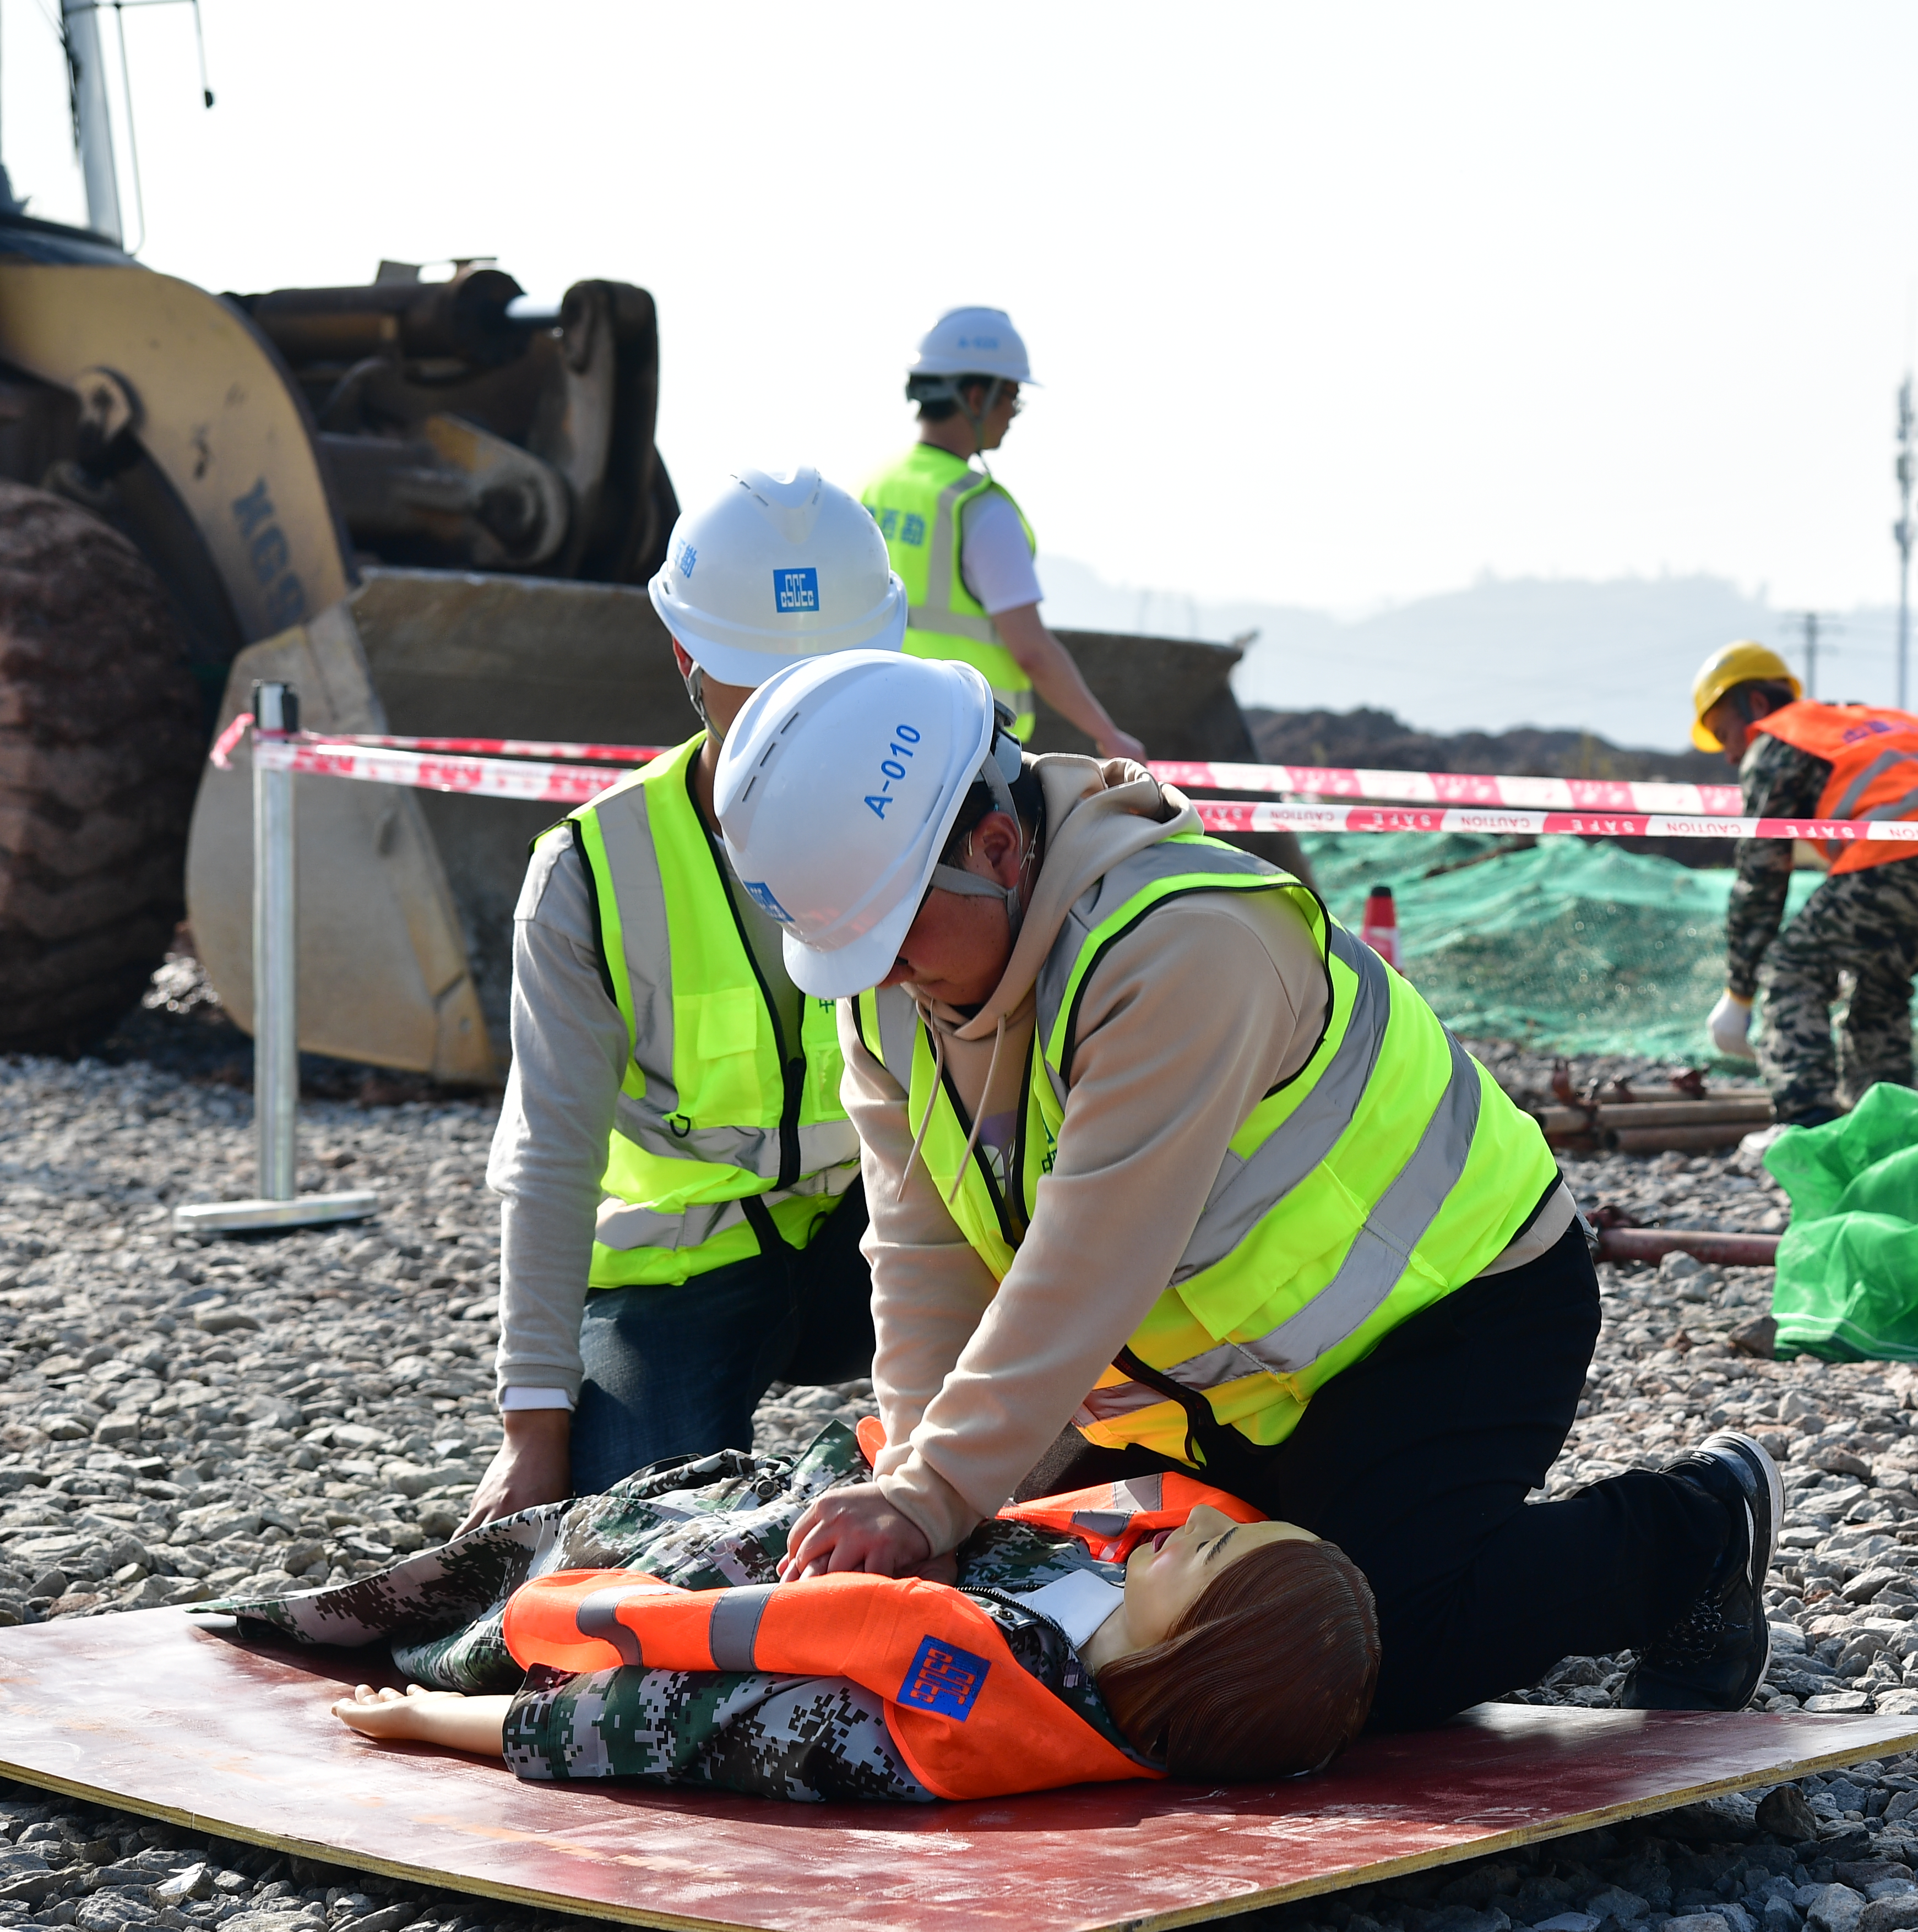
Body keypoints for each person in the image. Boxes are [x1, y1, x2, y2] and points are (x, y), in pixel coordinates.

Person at [705, 649, 1782, 1731]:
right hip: (1217, 1389)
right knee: (1039, 1596)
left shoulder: (1183, 944)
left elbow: (1094, 1256)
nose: (881, 972)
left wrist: (934, 1489)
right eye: (852, 947)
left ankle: (1698, 1528)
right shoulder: (894, 991)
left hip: (1452, 1315)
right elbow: (922, 1244)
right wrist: (922, 1486)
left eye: (892, 932)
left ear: (999, 845)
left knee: (1362, 1644)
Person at [470, 468, 909, 1524]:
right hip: (690, 1258)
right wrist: (533, 1424)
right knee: (628, 1525)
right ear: (686, 660)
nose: (797, 722)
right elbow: (551, 1149)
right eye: (761, 686)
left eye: (833, 684)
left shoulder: (946, 819)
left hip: (895, 1221)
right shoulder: (590, 872)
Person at [278, 1423, 1379, 1795]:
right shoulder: (1114, 1607)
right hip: (787, 1522)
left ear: (1197, 1642)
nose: (1202, 1525)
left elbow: (655, 1725)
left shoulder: (933, 1718)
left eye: (1220, 1550)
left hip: (643, 1607)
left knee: (476, 1592)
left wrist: (435, 1724)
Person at [1689, 642, 1918, 1130]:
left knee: (1792, 967)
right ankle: (1882, 1126)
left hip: (1903, 847)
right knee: (1880, 981)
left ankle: (1807, 1125)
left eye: (1725, 733)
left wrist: (1740, 993)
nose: (1731, 752)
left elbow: (1761, 876)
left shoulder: (1777, 738)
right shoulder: (1863, 720)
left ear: (1753, 705)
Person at [861, 305, 1144, 759]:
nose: (1014, 410)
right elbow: (1032, 651)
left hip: (876, 728)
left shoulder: (868, 487)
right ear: (976, 397)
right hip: (969, 747)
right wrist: (1107, 735)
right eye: (1011, 393)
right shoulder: (978, 507)